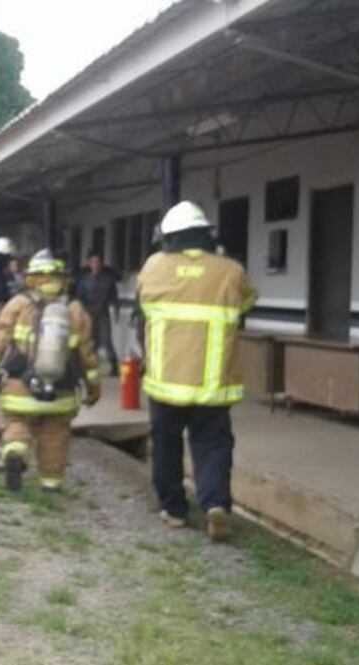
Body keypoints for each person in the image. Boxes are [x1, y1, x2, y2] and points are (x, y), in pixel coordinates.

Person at [136, 200, 257, 542]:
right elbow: (247, 301)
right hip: (213, 384)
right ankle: (215, 504)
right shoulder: (230, 270)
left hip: (166, 381)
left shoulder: (154, 267)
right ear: (206, 235)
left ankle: (174, 509)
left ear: (169, 237)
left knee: (166, 444)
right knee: (213, 444)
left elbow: (143, 304)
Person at [0, 249, 101, 492]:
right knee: (55, 435)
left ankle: (15, 452)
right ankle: (51, 483)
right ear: (64, 279)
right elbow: (87, 355)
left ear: (31, 278)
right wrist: (93, 385)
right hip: (61, 392)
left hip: (19, 390)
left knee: (16, 422)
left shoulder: (18, 305)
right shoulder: (76, 311)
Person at [77, 251, 122, 377]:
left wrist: (116, 310)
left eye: (98, 262)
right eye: (93, 262)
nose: (95, 265)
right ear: (90, 264)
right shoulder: (84, 280)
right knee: (90, 341)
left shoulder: (108, 279)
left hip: (103, 314)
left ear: (101, 264)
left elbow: (114, 296)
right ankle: (89, 366)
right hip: (89, 314)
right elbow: (79, 299)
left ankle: (114, 367)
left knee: (107, 341)